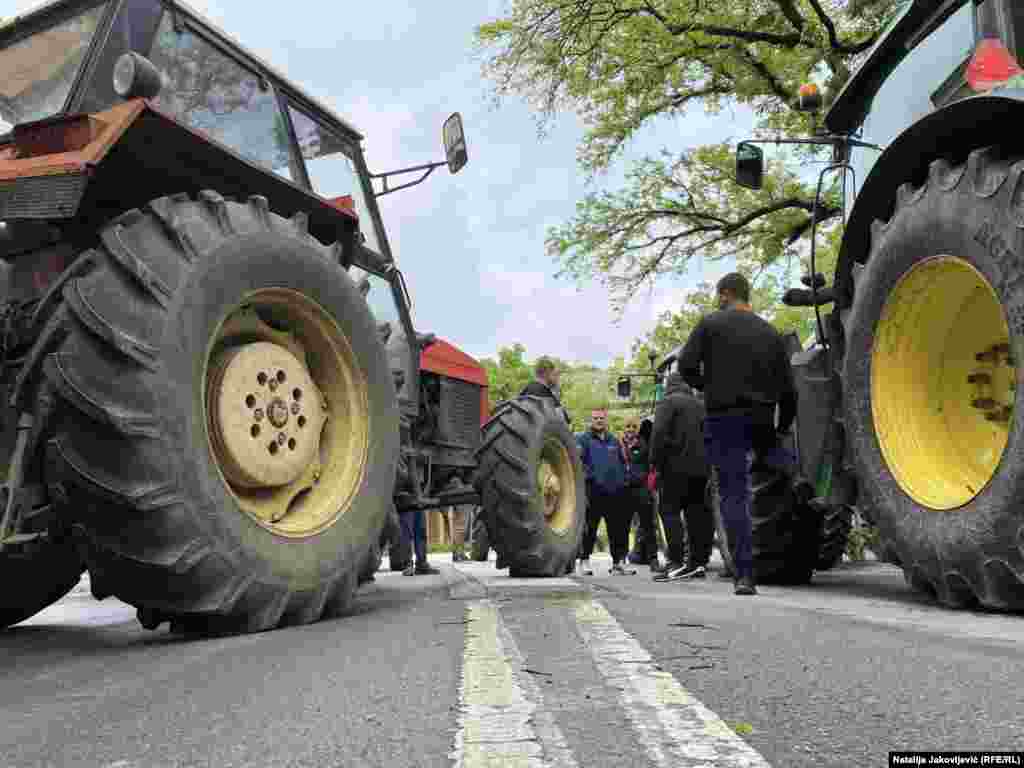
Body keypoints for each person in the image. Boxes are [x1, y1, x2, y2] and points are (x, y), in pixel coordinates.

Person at [678, 272, 813, 596]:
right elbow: (789, 390)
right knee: (771, 454)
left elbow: (685, 366)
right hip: (761, 415)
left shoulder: (710, 325)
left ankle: (745, 576)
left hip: (724, 417)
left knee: (733, 495)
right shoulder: (769, 332)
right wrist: (783, 426)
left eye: (719, 295)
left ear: (726, 294)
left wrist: (707, 387)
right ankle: (794, 473)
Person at [648, 372, 710, 581]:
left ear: (669, 385)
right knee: (697, 515)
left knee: (670, 512)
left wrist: (655, 462)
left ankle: (676, 562)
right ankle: (698, 562)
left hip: (673, 469)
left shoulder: (667, 403)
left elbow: (658, 433)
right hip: (700, 470)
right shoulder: (699, 405)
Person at [576, 408, 633, 575]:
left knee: (616, 529)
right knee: (590, 528)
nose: (599, 420)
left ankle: (617, 563)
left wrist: (622, 482)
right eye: (596, 418)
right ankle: (584, 561)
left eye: (601, 418)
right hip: (593, 492)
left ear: (605, 420)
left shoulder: (614, 441)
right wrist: (590, 478)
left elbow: (622, 463)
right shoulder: (583, 440)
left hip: (614, 493)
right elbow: (578, 463)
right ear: (591, 420)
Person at [622, 418, 660, 572]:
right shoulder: (618, 444)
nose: (631, 429)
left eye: (634, 427)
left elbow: (652, 464)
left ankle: (653, 559)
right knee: (622, 526)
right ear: (624, 428)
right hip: (624, 490)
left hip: (642, 489)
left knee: (648, 525)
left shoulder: (644, 444)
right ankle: (620, 559)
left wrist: (649, 483)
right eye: (628, 426)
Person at [520, 356, 571, 424]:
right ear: (547, 372)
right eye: (555, 374)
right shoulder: (545, 394)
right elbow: (564, 421)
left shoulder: (527, 389)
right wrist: (556, 396)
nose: (558, 378)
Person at [400, 508, 441, 577]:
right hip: (405, 503)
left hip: (419, 503)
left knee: (421, 528)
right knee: (406, 530)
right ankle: (407, 565)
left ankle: (421, 564)